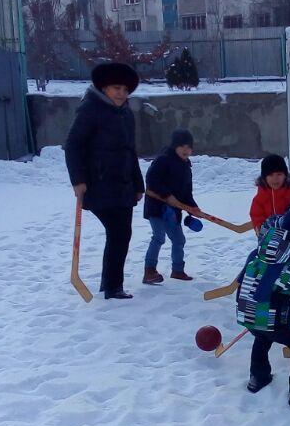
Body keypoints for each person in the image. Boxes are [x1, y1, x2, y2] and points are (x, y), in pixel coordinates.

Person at [64, 61, 143, 300]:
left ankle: (111, 284)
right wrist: (78, 180)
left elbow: (130, 150)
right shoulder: (91, 109)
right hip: (99, 184)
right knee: (118, 232)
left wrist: (138, 184)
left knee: (122, 233)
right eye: (116, 88)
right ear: (104, 87)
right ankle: (112, 286)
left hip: (123, 185)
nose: (121, 93)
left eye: (125, 89)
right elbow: (73, 145)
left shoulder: (125, 112)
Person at [236, 201, 290, 408]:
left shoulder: (261, 251)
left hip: (248, 313)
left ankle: (258, 377)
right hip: (276, 317)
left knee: (262, 337)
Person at [143, 128, 201, 285]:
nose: (186, 150)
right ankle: (149, 271)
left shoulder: (186, 168)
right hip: (156, 208)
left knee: (178, 239)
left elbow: (186, 193)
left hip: (173, 211)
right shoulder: (163, 160)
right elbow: (151, 180)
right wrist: (167, 196)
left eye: (189, 147)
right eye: (182, 146)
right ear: (174, 146)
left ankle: (177, 270)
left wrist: (194, 208)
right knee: (159, 237)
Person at [249, 153, 290, 236]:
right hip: (269, 236)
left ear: (285, 176)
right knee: (263, 249)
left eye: (279, 174)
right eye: (271, 175)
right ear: (264, 177)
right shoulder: (259, 200)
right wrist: (261, 230)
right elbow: (257, 218)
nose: (275, 178)